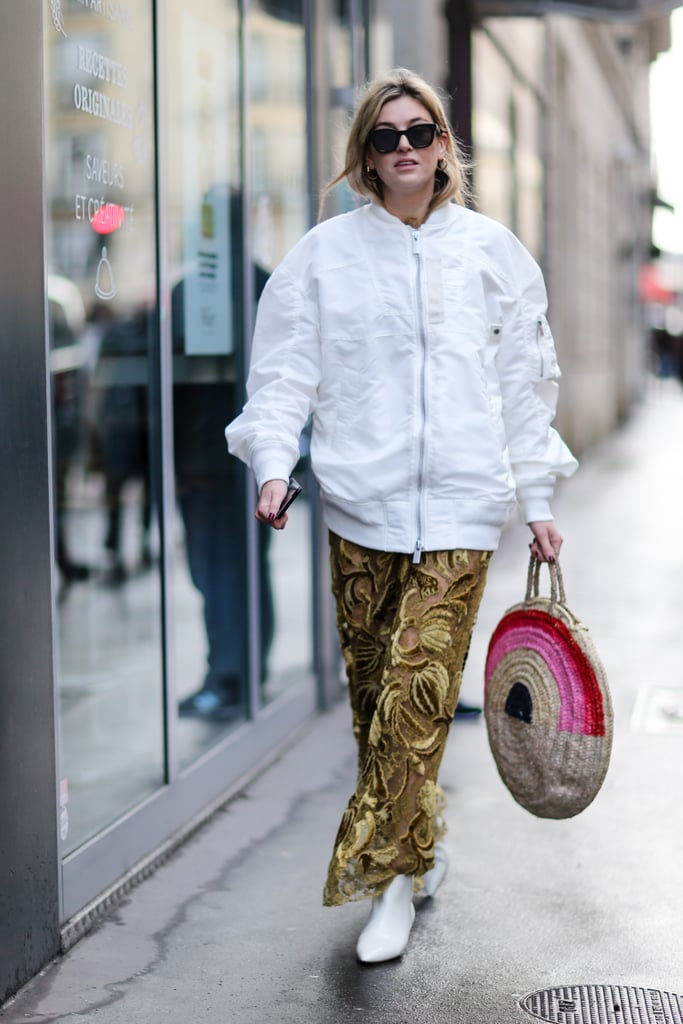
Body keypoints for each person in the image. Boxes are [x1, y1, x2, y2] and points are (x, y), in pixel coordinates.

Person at [225, 68, 578, 964]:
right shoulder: (323, 255)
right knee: (376, 705)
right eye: (385, 138)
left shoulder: (492, 252)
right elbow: (282, 373)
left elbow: (523, 388)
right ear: (364, 157)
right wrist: (273, 463)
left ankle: (381, 883)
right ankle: (418, 851)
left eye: (419, 132)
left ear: (444, 144)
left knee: (416, 692)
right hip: (360, 507)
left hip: (462, 507)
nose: (405, 150)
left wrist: (534, 498)